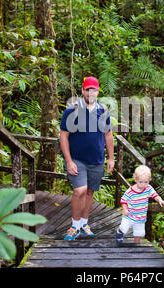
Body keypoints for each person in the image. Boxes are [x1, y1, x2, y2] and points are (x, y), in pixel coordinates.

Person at [59, 76, 115, 240]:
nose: (91, 92)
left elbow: (108, 134)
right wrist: (69, 161)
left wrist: (111, 158)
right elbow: (63, 136)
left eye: (94, 90)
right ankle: (74, 226)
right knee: (79, 191)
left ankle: (84, 224)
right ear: (82, 90)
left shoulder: (103, 110)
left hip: (96, 159)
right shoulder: (72, 110)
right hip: (77, 158)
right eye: (88, 89)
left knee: (90, 192)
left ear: (98, 92)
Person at [116, 165, 164, 245]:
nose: (143, 185)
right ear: (136, 180)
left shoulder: (148, 188)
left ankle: (136, 247)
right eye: (141, 182)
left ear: (149, 181)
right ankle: (119, 232)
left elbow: (155, 195)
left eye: (146, 182)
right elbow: (123, 200)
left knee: (138, 233)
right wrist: (124, 209)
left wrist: (159, 200)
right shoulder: (130, 191)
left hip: (140, 217)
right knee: (124, 228)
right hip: (129, 215)